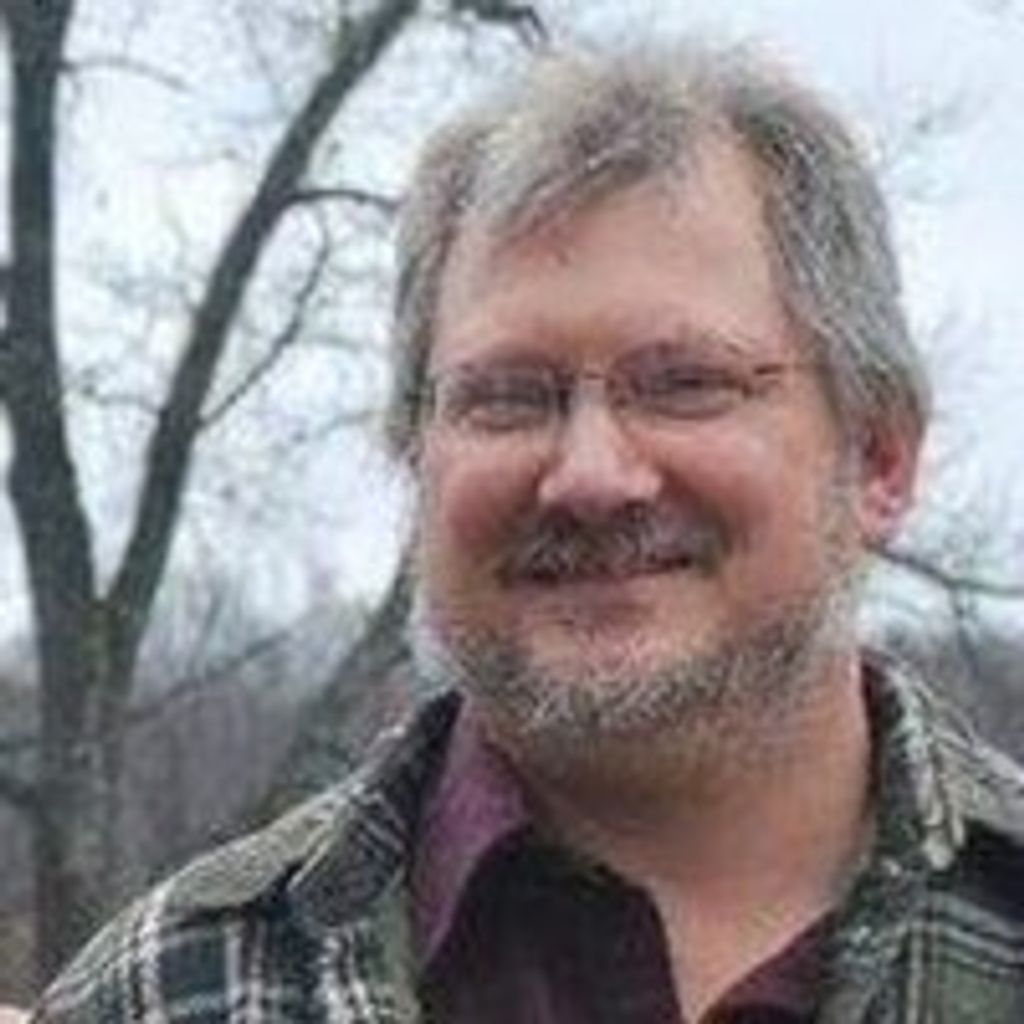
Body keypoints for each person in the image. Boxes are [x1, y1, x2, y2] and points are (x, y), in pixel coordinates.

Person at [33, 40, 1024, 1024]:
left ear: (879, 457)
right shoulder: (166, 993)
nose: (590, 475)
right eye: (507, 396)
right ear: (415, 456)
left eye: (684, 384)